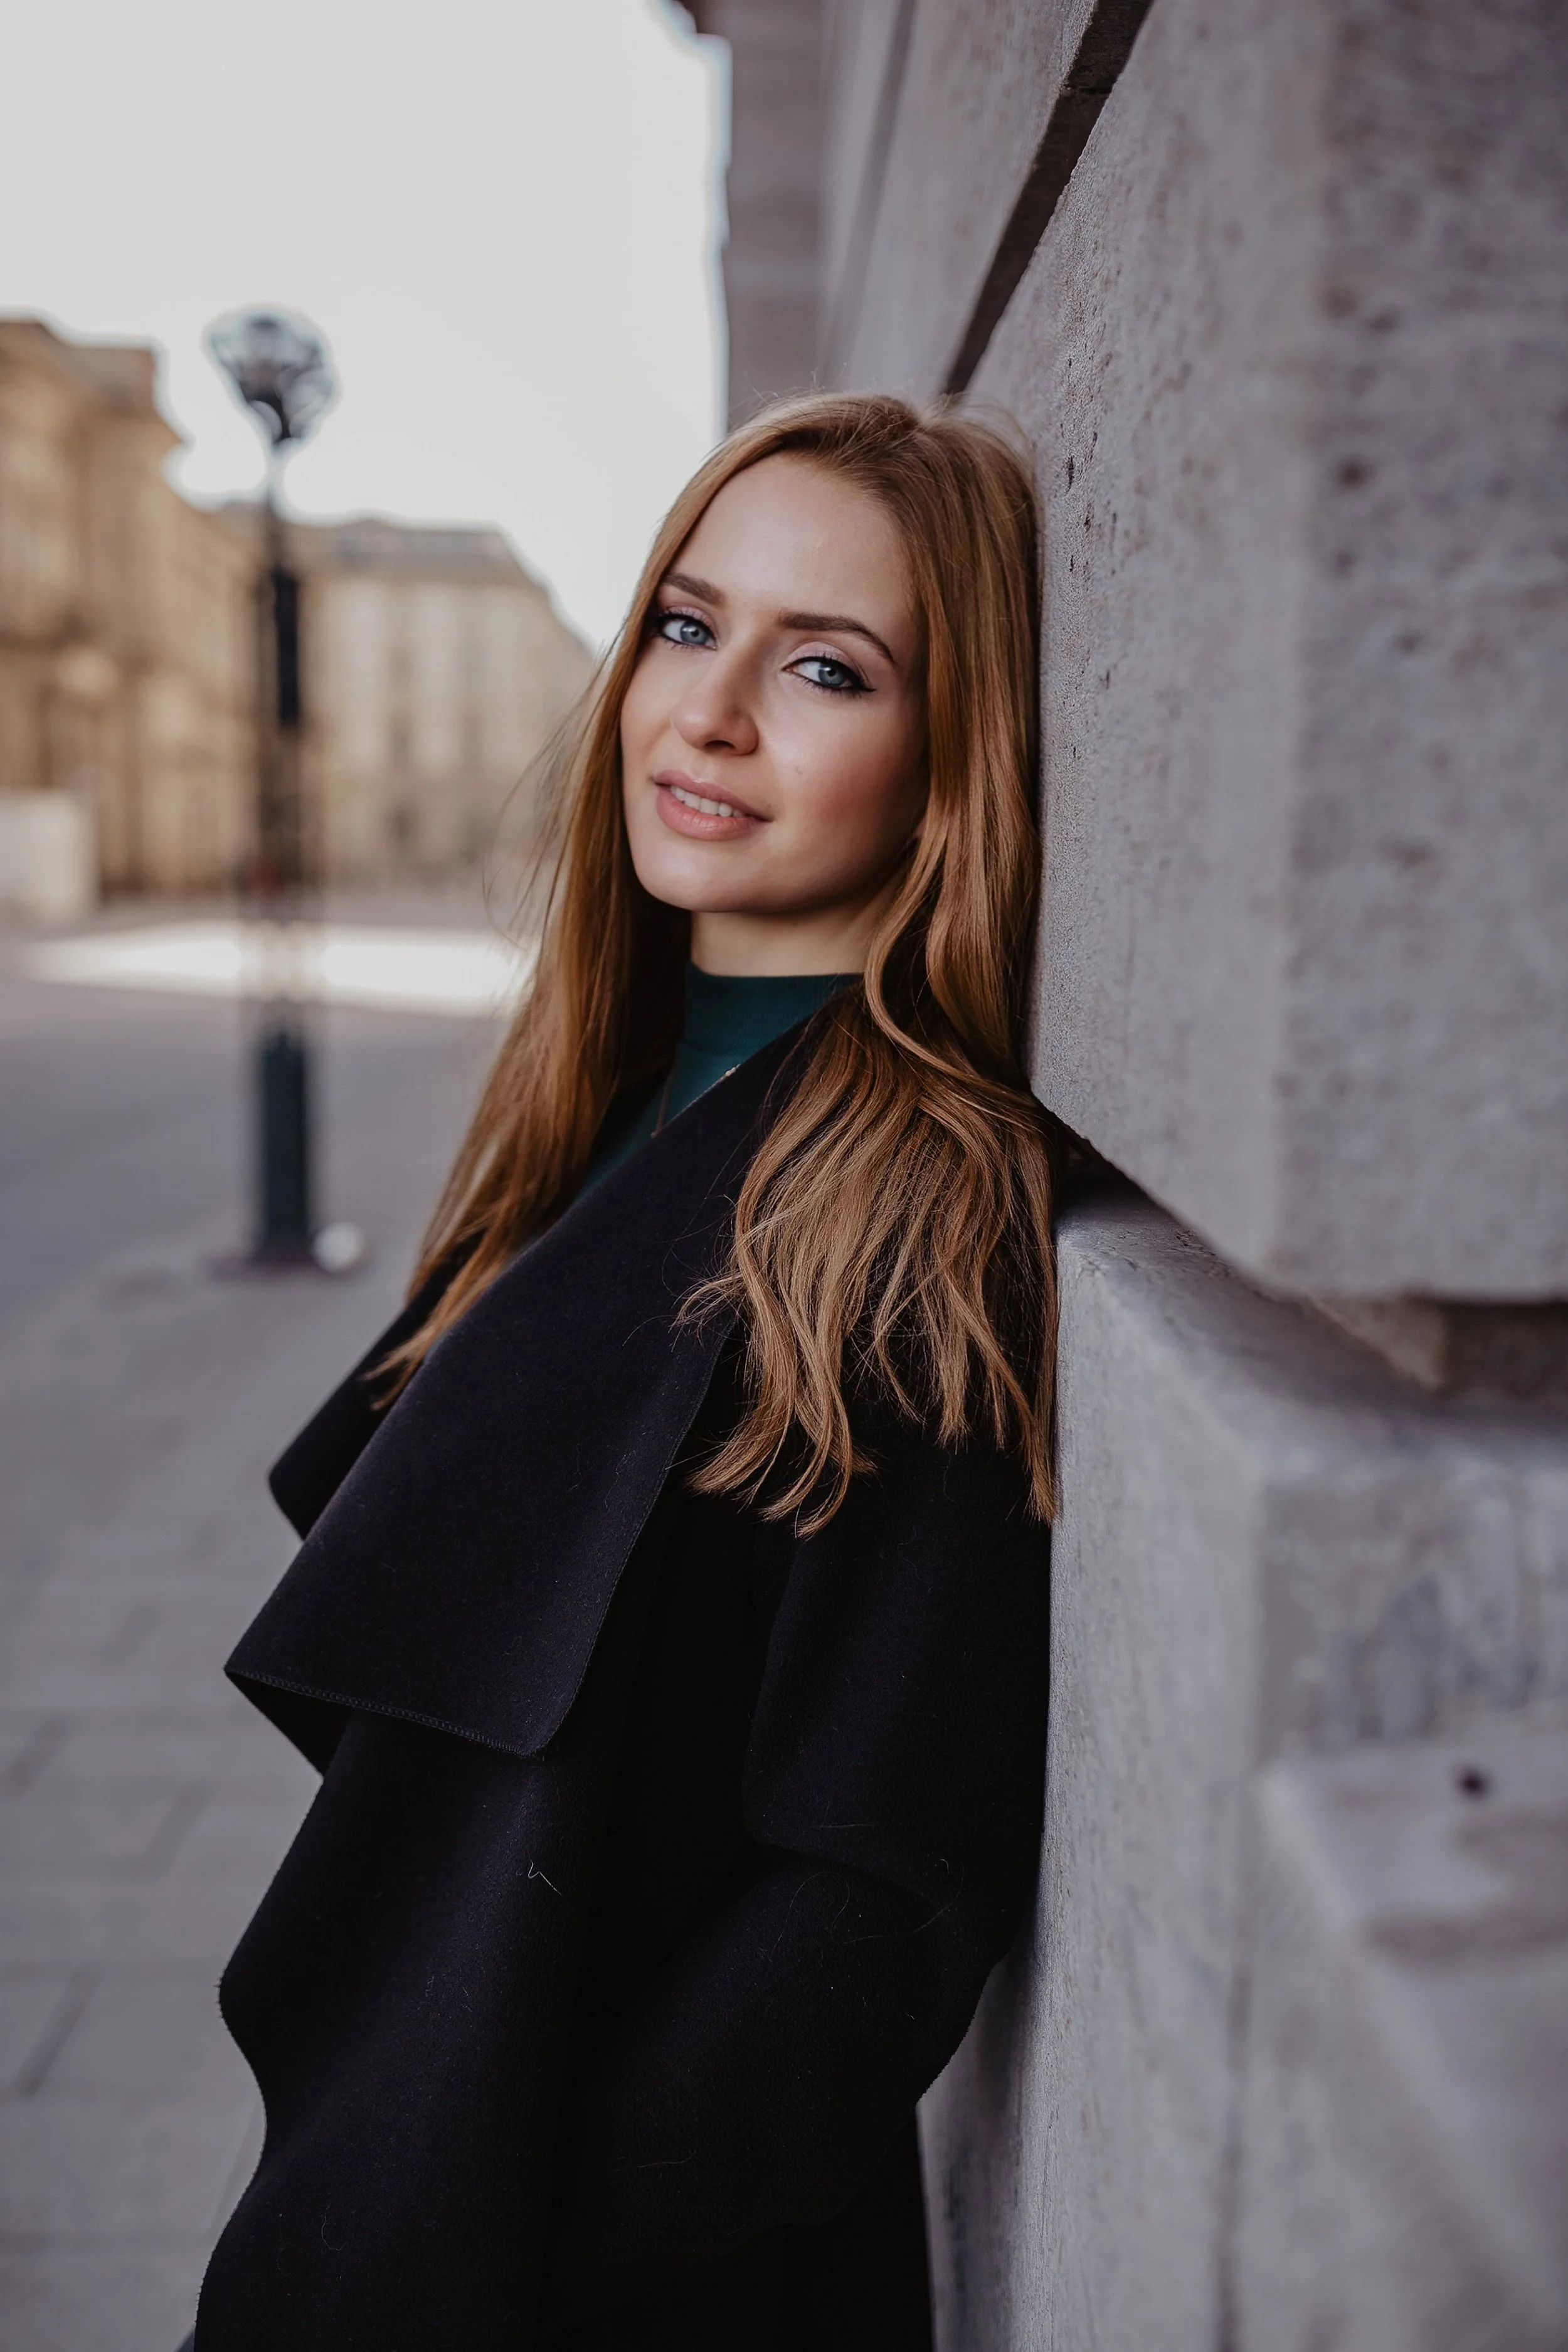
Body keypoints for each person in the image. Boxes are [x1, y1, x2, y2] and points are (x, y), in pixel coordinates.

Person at [188, 392, 1059, 2352]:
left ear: (949, 762)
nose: (713, 710)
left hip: (582, 2268)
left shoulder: (907, 1207)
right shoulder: (594, 1097)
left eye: (825, 666)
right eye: (685, 623)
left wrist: (507, 2246)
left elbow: (877, 1893)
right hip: (404, 2147)